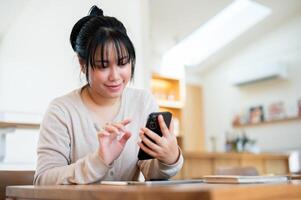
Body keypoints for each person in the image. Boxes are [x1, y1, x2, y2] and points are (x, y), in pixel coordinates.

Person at [33, 5, 183, 185]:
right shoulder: (62, 111)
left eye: (123, 63)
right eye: (103, 65)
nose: (115, 76)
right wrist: (99, 160)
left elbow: (149, 168)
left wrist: (170, 158)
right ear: (82, 64)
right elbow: (43, 180)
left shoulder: (142, 102)